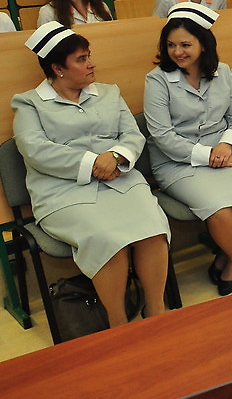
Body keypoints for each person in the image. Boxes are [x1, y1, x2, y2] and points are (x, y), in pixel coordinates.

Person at [13, 23, 171, 327]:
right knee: (106, 238)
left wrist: (115, 157)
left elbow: (132, 135)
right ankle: (118, 323)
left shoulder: (109, 93)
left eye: (89, 56)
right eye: (82, 59)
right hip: (63, 192)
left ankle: (156, 313)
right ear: (58, 68)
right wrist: (93, 163)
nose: (91, 64)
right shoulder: (28, 103)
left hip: (121, 181)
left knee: (152, 228)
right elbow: (35, 150)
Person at [144, 2, 232, 296]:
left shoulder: (223, 72)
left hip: (226, 152)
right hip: (178, 162)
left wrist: (225, 145)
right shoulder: (157, 80)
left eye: (185, 44)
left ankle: (224, 251)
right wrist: (208, 156)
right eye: (171, 45)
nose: (177, 52)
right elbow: (162, 136)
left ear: (203, 44)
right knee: (221, 212)